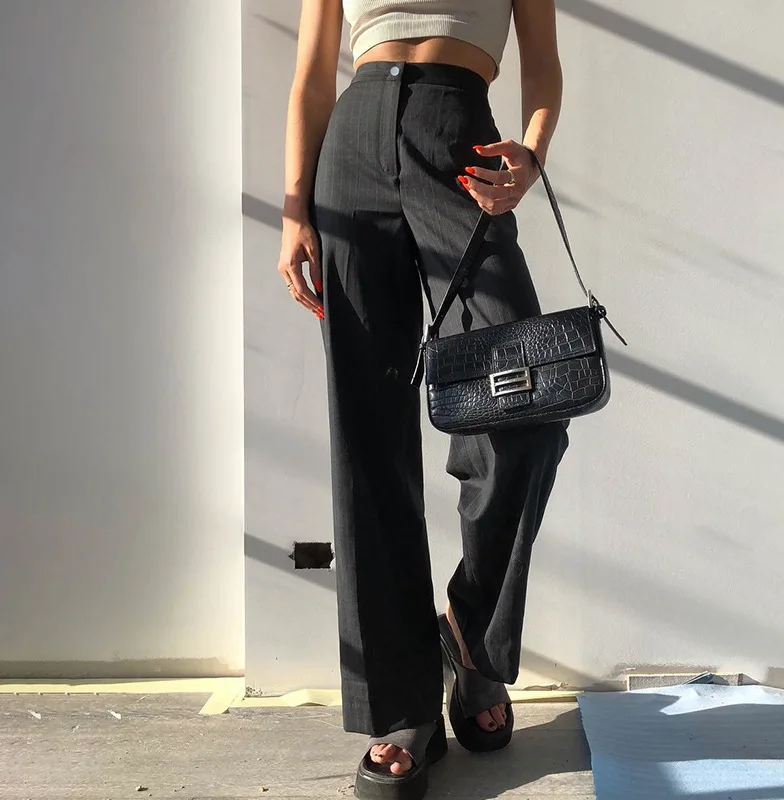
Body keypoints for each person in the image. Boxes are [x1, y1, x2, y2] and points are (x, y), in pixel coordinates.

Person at [278, 1, 570, 797]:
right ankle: (400, 703)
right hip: (352, 149)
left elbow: (544, 67)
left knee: (527, 409)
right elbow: (312, 77)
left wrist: (532, 154)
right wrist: (295, 207)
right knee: (367, 434)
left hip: (460, 141)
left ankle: (470, 638)